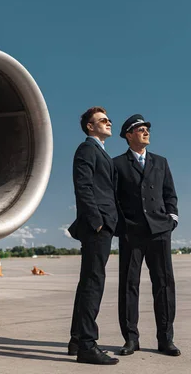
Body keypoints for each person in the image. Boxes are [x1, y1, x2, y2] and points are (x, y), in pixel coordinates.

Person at [113, 114, 181, 357]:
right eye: (140, 129)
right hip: (132, 233)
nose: (145, 132)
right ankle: (131, 339)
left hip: (160, 231)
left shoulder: (161, 162)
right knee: (129, 286)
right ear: (128, 135)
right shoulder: (117, 164)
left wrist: (172, 217)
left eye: (146, 129)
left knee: (164, 285)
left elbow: (170, 193)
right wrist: (121, 225)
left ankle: (165, 339)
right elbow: (113, 199)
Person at [67, 106, 120, 365]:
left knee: (87, 281)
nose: (108, 122)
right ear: (90, 126)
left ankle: (77, 339)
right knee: (93, 284)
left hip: (102, 225)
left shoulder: (101, 152)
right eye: (102, 120)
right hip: (97, 227)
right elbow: (83, 187)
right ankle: (87, 344)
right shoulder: (87, 149)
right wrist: (98, 222)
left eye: (108, 119)